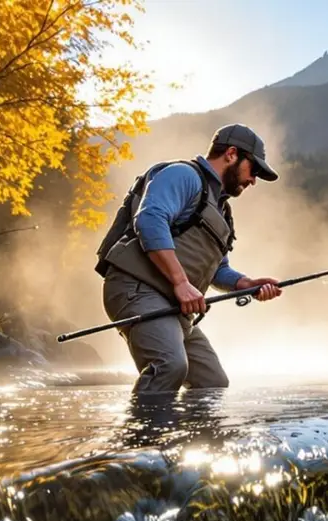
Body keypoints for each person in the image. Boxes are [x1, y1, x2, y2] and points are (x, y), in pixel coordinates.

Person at [95, 123, 284, 395]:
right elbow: (149, 219)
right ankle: (140, 438)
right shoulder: (182, 175)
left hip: (173, 304)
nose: (253, 180)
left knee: (212, 382)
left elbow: (218, 270)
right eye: (253, 169)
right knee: (169, 365)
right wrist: (181, 282)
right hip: (135, 288)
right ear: (231, 154)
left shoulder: (222, 212)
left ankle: (182, 438)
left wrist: (246, 283)